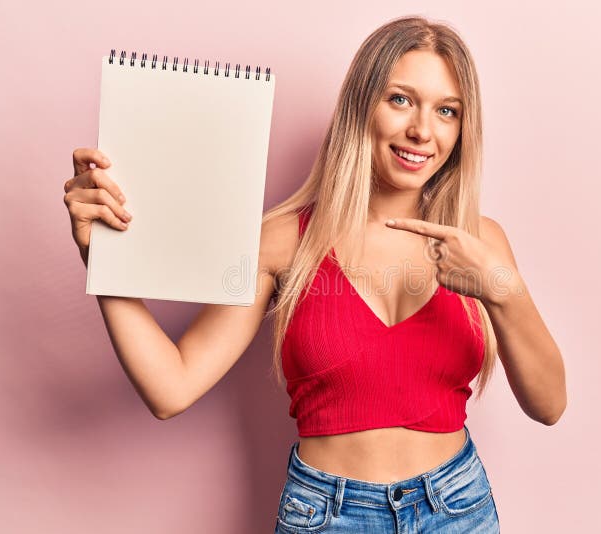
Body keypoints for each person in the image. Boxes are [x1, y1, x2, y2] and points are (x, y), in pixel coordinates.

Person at [63, 15, 566, 533]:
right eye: (399, 99)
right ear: (360, 105)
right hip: (329, 516)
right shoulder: (285, 240)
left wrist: (503, 292)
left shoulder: (478, 241)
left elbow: (549, 405)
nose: (422, 129)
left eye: (446, 111)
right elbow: (171, 387)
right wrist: (106, 258)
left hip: (457, 507)